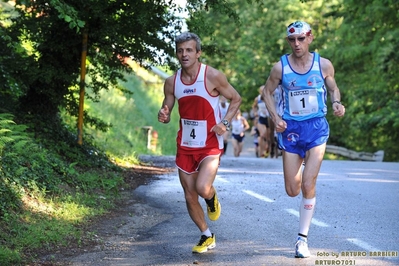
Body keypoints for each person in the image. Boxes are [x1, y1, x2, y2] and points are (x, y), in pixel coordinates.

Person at [261, 21, 345, 258]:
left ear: (310, 38)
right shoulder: (280, 68)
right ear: (288, 41)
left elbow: (333, 89)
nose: (296, 43)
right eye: (292, 40)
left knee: (308, 184)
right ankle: (304, 164)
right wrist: (275, 117)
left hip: (317, 128)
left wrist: (337, 103)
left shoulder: (323, 64)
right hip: (290, 130)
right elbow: (267, 92)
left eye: (301, 38)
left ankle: (302, 240)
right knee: (292, 189)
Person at [158, 32, 242, 253]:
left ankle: (211, 197)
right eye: (180, 50)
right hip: (185, 144)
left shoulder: (212, 76)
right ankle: (206, 235)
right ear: (176, 53)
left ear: (198, 53)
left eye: (189, 50)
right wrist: (164, 113)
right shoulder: (171, 82)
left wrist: (225, 122)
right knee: (188, 194)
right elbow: (167, 106)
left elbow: (236, 98)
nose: (184, 54)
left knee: (202, 188)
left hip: (209, 143)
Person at [252, 86, 271, 158]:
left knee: (268, 137)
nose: (263, 92)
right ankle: (261, 152)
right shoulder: (258, 99)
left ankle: (268, 148)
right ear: (260, 92)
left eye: (264, 90)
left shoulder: (270, 97)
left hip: (269, 118)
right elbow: (254, 106)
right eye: (261, 91)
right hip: (261, 117)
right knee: (262, 135)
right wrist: (255, 113)